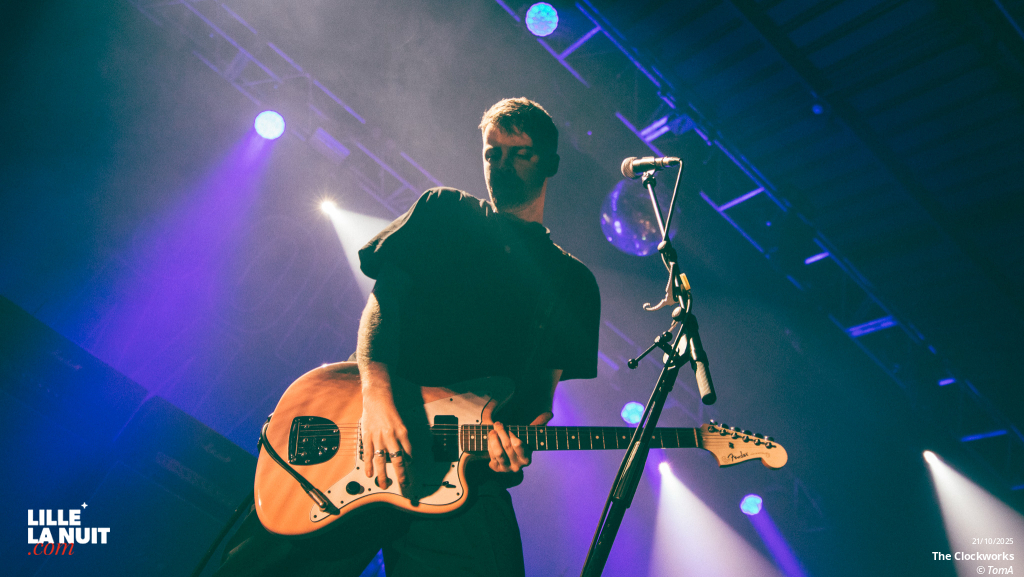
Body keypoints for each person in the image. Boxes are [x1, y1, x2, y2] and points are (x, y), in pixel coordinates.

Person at [214, 97, 600, 577]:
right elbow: (382, 307)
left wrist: (514, 443)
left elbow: (538, 399)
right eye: (491, 153)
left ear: (551, 163)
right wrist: (378, 402)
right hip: (368, 432)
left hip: (461, 472)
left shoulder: (573, 284)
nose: (500, 166)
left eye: (518, 153)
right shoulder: (446, 211)